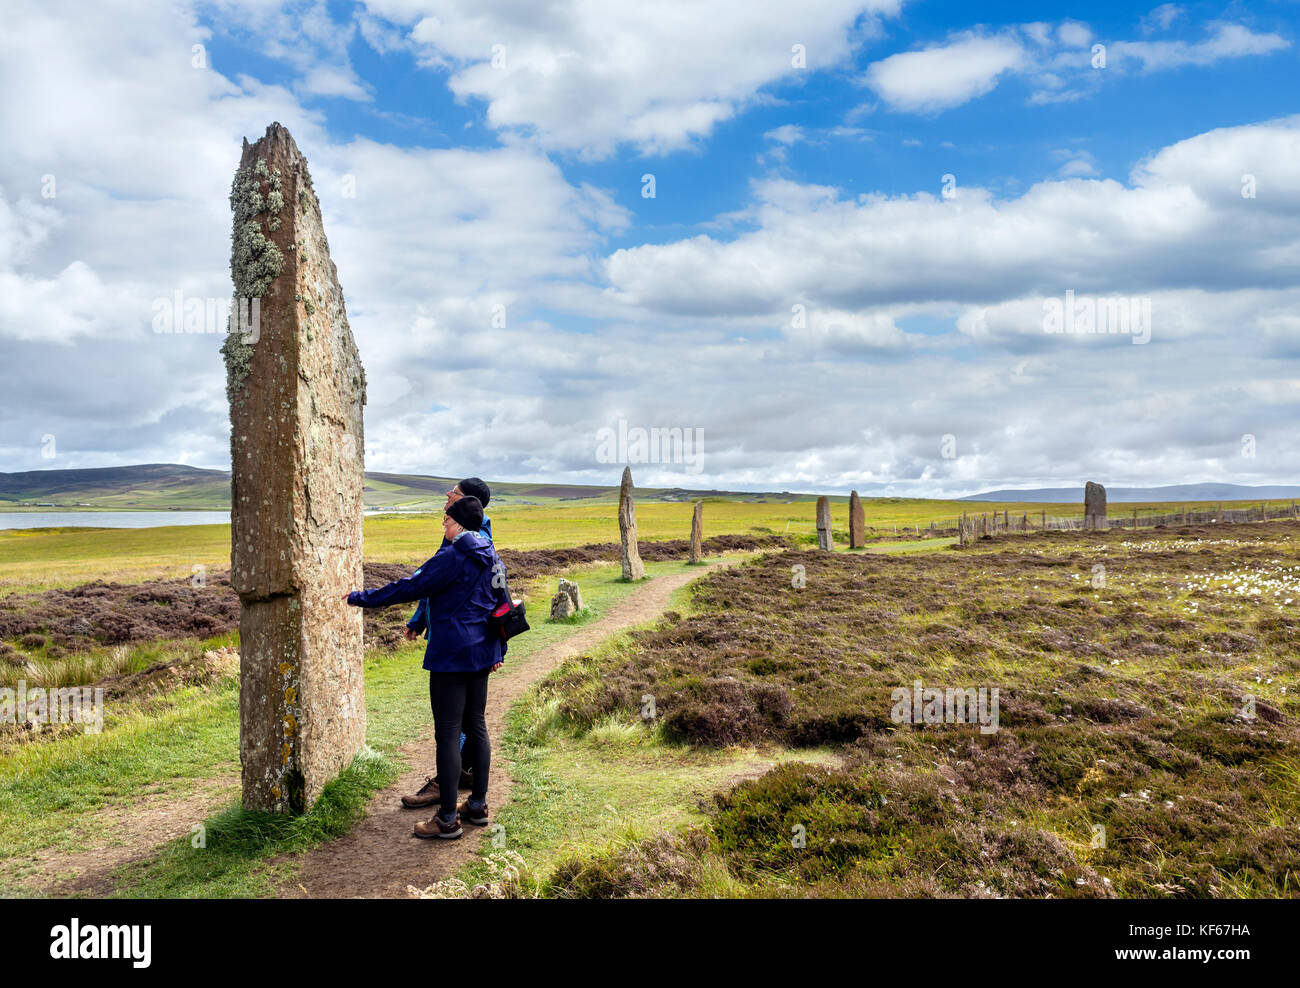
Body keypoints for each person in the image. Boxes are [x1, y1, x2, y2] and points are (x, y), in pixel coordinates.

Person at [345, 495, 505, 839]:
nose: (443, 526)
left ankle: (447, 819)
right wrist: (498, 650)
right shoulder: (492, 555)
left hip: (451, 656)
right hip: (480, 654)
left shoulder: (450, 557)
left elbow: (408, 587)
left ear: (459, 524)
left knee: (447, 731)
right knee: (476, 724)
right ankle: (477, 805)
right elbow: (503, 605)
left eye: (446, 521)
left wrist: (359, 597)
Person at [402, 477, 493, 805]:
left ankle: (447, 791)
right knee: (471, 721)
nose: (446, 496)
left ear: (465, 501)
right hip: (476, 644)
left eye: (452, 493)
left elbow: (433, 583)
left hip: (457, 646)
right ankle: (470, 788)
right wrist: (419, 619)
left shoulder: (467, 538)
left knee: (454, 724)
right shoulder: (479, 535)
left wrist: (361, 598)